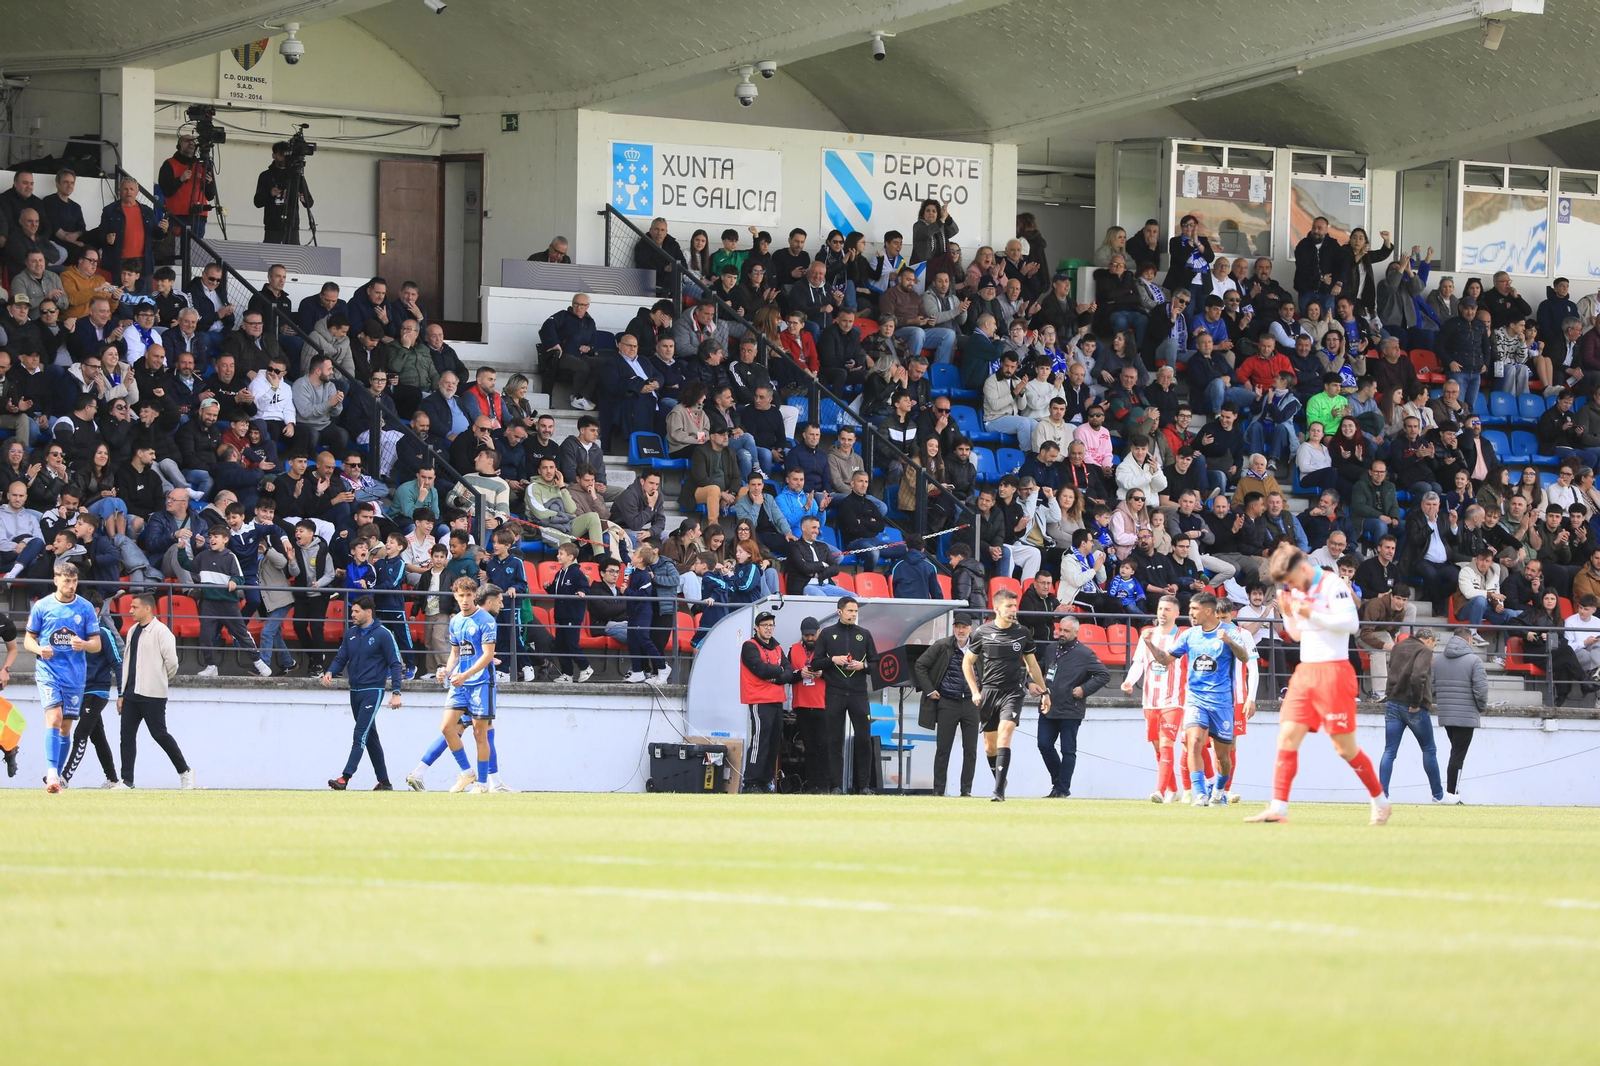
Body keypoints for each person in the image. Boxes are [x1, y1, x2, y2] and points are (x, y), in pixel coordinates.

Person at [1246, 543, 1392, 824]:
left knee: (1344, 747)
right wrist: (1289, 613)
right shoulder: (1298, 590)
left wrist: (1307, 611)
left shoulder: (1331, 583)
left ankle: (1380, 801)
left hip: (1334, 672)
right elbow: (1297, 635)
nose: (1290, 587)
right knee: (1287, 736)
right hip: (1305, 672)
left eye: (1289, 580)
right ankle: (1278, 807)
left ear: (1302, 567)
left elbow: (1350, 624)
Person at [1140, 592, 1248, 806]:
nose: (1190, 614)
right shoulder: (1189, 635)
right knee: (1194, 741)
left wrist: (1229, 642)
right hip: (1196, 699)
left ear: (1208, 610)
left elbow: (1244, 657)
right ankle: (1199, 793)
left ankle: (1218, 790)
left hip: (1222, 702)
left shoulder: (1229, 631)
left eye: (1194, 609)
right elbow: (1166, 659)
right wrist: (1150, 645)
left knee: (1222, 757)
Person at [410, 578, 498, 794]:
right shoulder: (456, 621)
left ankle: (484, 783)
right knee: (447, 728)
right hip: (459, 684)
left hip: (480, 683)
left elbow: (488, 655)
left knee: (480, 734)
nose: (465, 600)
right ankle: (467, 772)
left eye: (469, 595)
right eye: (461, 596)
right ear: (455, 596)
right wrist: (446, 670)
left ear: (475, 595)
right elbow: (455, 654)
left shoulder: (485, 620)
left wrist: (465, 675)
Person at [962, 588, 1048, 802]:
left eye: (1015, 606)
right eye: (1009, 606)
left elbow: (1032, 665)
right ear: (997, 608)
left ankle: (998, 791)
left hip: (1012, 692)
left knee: (1005, 733)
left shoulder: (1022, 632)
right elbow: (967, 662)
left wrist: (1044, 691)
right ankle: (1000, 778)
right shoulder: (982, 632)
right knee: (990, 746)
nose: (1013, 610)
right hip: (989, 692)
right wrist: (974, 690)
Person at [25, 562, 102, 792]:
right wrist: (39, 650)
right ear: (56, 580)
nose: (71, 586)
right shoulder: (43, 606)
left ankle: (56, 777)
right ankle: (51, 774)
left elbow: (96, 645)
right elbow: (28, 640)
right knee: (55, 717)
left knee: (66, 727)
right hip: (48, 672)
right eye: (67, 581)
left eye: (75, 581)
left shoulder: (86, 608)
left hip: (75, 676)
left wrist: (85, 644)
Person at [320, 596, 402, 791]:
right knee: (370, 736)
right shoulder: (351, 634)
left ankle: (345, 777)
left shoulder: (383, 634)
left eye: (356, 611)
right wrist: (330, 671)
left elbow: (396, 663)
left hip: (372, 690)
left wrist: (396, 692)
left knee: (360, 733)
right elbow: (342, 657)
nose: (353, 615)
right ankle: (384, 782)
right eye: (352, 612)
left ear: (368, 612)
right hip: (354, 691)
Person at [116, 591, 192, 788]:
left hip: (153, 695)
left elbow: (172, 663)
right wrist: (122, 693)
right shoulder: (133, 630)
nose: (130, 610)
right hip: (131, 694)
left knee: (160, 734)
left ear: (147, 608)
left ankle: (185, 771)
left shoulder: (162, 631)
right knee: (126, 737)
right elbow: (128, 663)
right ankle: (127, 781)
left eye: (135, 607)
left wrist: (159, 679)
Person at [177, 524, 273, 678]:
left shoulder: (230, 556)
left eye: (216, 536)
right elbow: (188, 565)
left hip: (228, 603)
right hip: (208, 603)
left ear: (225, 540)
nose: (212, 539)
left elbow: (240, 577)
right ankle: (211, 666)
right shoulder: (203, 556)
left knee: (241, 634)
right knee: (206, 635)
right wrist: (181, 550)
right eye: (211, 536)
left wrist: (234, 582)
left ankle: (259, 663)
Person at [810, 597, 881, 794]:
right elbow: (815, 663)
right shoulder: (827, 634)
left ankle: (864, 786)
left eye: (855, 611)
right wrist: (832, 659)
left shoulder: (864, 634)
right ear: (840, 612)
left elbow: (876, 664)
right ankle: (836, 786)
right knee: (834, 740)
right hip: (835, 693)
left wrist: (863, 665)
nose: (853, 614)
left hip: (858, 694)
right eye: (850, 611)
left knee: (864, 740)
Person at [1122, 595, 1187, 802]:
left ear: (1176, 614)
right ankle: (1173, 790)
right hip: (1150, 700)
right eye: (1160, 608)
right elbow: (1139, 662)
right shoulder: (1146, 635)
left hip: (1174, 700)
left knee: (1167, 743)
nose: (1162, 613)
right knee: (1158, 747)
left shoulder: (1182, 638)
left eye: (1167, 609)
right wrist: (1129, 681)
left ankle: (1159, 790)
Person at [1038, 614, 1110, 799]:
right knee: (1044, 744)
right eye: (1060, 629)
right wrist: (1030, 682)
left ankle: (1062, 789)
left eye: (1066, 631)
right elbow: (1039, 668)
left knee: (1068, 750)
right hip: (1048, 706)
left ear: (1076, 632)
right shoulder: (1050, 648)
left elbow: (1103, 675)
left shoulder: (1085, 654)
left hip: (1071, 709)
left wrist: (1084, 690)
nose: (1061, 633)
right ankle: (1059, 781)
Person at [913, 612, 981, 797]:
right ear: (953, 627)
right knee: (943, 748)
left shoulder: (978, 646)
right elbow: (920, 665)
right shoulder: (942, 645)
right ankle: (938, 790)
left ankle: (966, 790)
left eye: (964, 627)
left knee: (971, 750)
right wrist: (929, 689)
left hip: (970, 703)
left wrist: (981, 691)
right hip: (947, 702)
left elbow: (988, 670)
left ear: (970, 628)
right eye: (957, 626)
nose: (960, 630)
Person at [1377, 627, 1443, 803]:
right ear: (1428, 639)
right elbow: (1418, 677)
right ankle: (1438, 795)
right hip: (1414, 707)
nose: (1434, 648)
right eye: (1435, 643)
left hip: (1393, 702)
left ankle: (1382, 795)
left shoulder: (1398, 647)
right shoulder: (1423, 651)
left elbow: (1393, 671)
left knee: (1389, 751)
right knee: (1429, 750)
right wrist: (1415, 703)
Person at [740, 611, 803, 794]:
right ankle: (751, 781)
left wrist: (778, 674)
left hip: (776, 699)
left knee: (774, 743)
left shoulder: (777, 647)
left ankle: (766, 781)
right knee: (760, 741)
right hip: (759, 699)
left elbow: (789, 671)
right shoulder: (750, 646)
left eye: (771, 625)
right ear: (756, 627)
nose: (769, 628)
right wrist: (780, 671)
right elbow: (761, 669)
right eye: (765, 625)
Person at [59, 612, 122, 788]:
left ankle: (64, 778)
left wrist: (121, 694)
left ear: (95, 610)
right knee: (98, 737)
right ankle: (113, 780)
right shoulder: (76, 634)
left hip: (97, 692)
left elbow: (118, 663)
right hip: (80, 692)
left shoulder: (103, 633)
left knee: (80, 733)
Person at [1432, 627, 1487, 805]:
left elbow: (1431, 688)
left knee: (1455, 752)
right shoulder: (1474, 661)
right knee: (1458, 755)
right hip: (1466, 715)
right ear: (1469, 640)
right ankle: (1452, 794)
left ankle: (1450, 793)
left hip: (1447, 714)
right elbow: (1481, 690)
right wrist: (1481, 708)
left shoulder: (1438, 660)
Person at [255, 140, 315, 244]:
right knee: (270, 257)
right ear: (274, 155)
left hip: (292, 226)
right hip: (272, 226)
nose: (284, 158)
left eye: (287, 155)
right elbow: (257, 202)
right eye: (281, 155)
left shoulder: (296, 176)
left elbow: (310, 202)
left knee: (292, 257)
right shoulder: (265, 176)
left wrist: (304, 199)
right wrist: (270, 194)